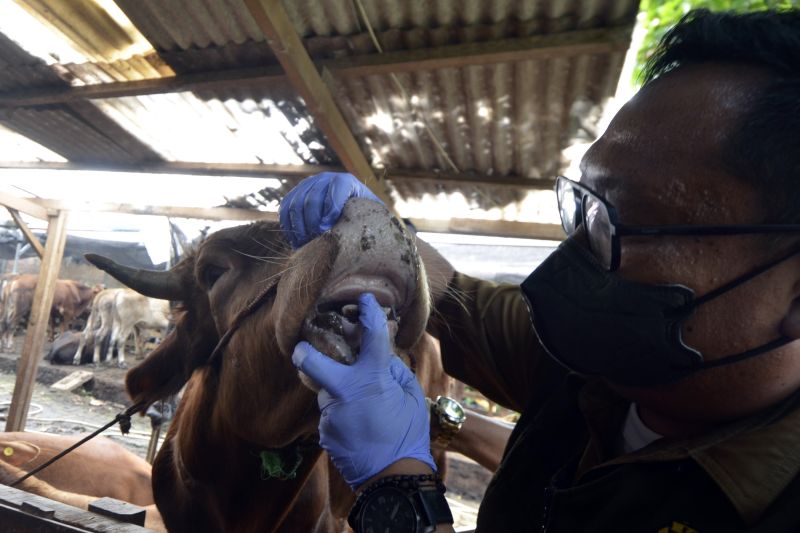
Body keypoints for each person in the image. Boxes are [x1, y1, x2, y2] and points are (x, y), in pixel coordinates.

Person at [281, 8, 800, 532]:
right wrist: (383, 233)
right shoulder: (588, 365)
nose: (572, 254)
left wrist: (395, 484)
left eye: (628, 221)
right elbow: (458, 298)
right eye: (588, 204)